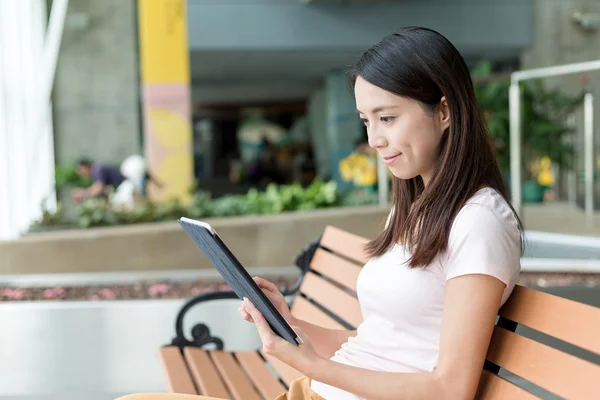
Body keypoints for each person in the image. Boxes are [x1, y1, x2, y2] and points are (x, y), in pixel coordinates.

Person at [118, 26, 523, 400]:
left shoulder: (479, 222)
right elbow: (378, 345)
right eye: (367, 121)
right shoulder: (417, 208)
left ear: (445, 112)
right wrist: (289, 325)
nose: (374, 140)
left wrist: (315, 367)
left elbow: (450, 389)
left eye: (388, 117)